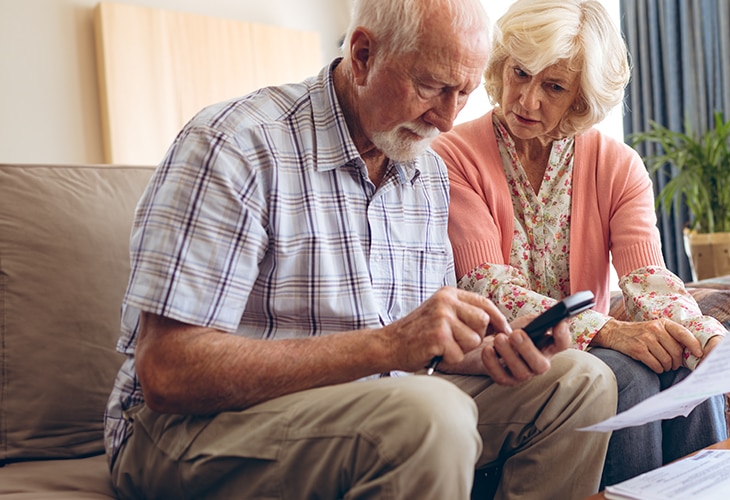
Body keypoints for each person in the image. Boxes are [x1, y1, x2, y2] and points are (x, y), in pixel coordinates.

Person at [102, 0, 617, 498]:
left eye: (462, 94)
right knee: (428, 417)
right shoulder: (237, 146)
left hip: (377, 401)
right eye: (432, 86)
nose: (445, 119)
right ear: (364, 54)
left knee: (580, 382)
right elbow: (168, 372)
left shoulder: (427, 172)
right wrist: (390, 345)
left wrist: (489, 355)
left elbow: (417, 350)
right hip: (187, 429)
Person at [432, 0, 730, 487]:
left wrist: (716, 347)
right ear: (500, 63)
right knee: (630, 373)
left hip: (590, 354)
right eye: (520, 73)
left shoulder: (618, 165)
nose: (526, 100)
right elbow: (492, 289)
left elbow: (649, 280)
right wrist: (609, 332)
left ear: (581, 98)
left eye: (552, 86)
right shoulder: (452, 155)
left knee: (689, 371)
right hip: (502, 360)